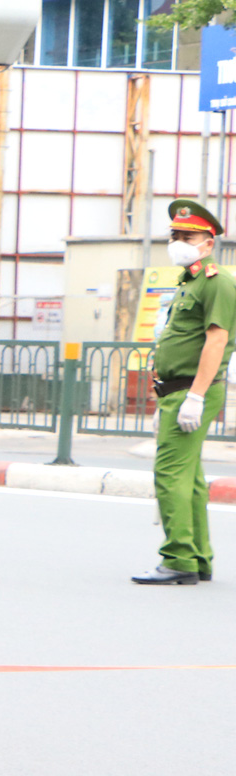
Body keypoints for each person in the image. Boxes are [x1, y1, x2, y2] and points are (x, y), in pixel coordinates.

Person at [134, 198, 233, 585]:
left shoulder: (217, 283)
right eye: (174, 234)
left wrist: (195, 396)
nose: (178, 241)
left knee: (169, 474)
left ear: (208, 243)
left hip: (192, 391)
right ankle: (199, 557)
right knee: (189, 480)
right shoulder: (189, 280)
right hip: (177, 391)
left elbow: (217, 341)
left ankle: (178, 560)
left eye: (187, 235)